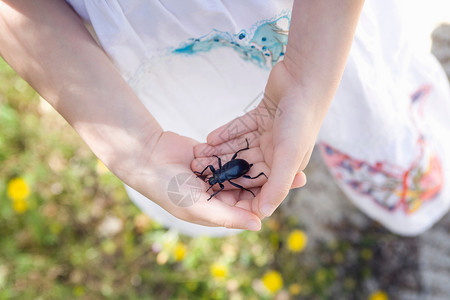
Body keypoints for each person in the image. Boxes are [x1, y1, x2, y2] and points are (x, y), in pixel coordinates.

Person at [0, 0, 449, 237]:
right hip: (161, 58)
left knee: (363, 102)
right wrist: (135, 146)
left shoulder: (221, 170)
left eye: (215, 179)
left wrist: (306, 80)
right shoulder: (218, 169)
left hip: (318, 30)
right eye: (216, 179)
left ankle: (399, 169)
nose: (216, 177)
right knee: (283, 142)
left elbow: (228, 171)